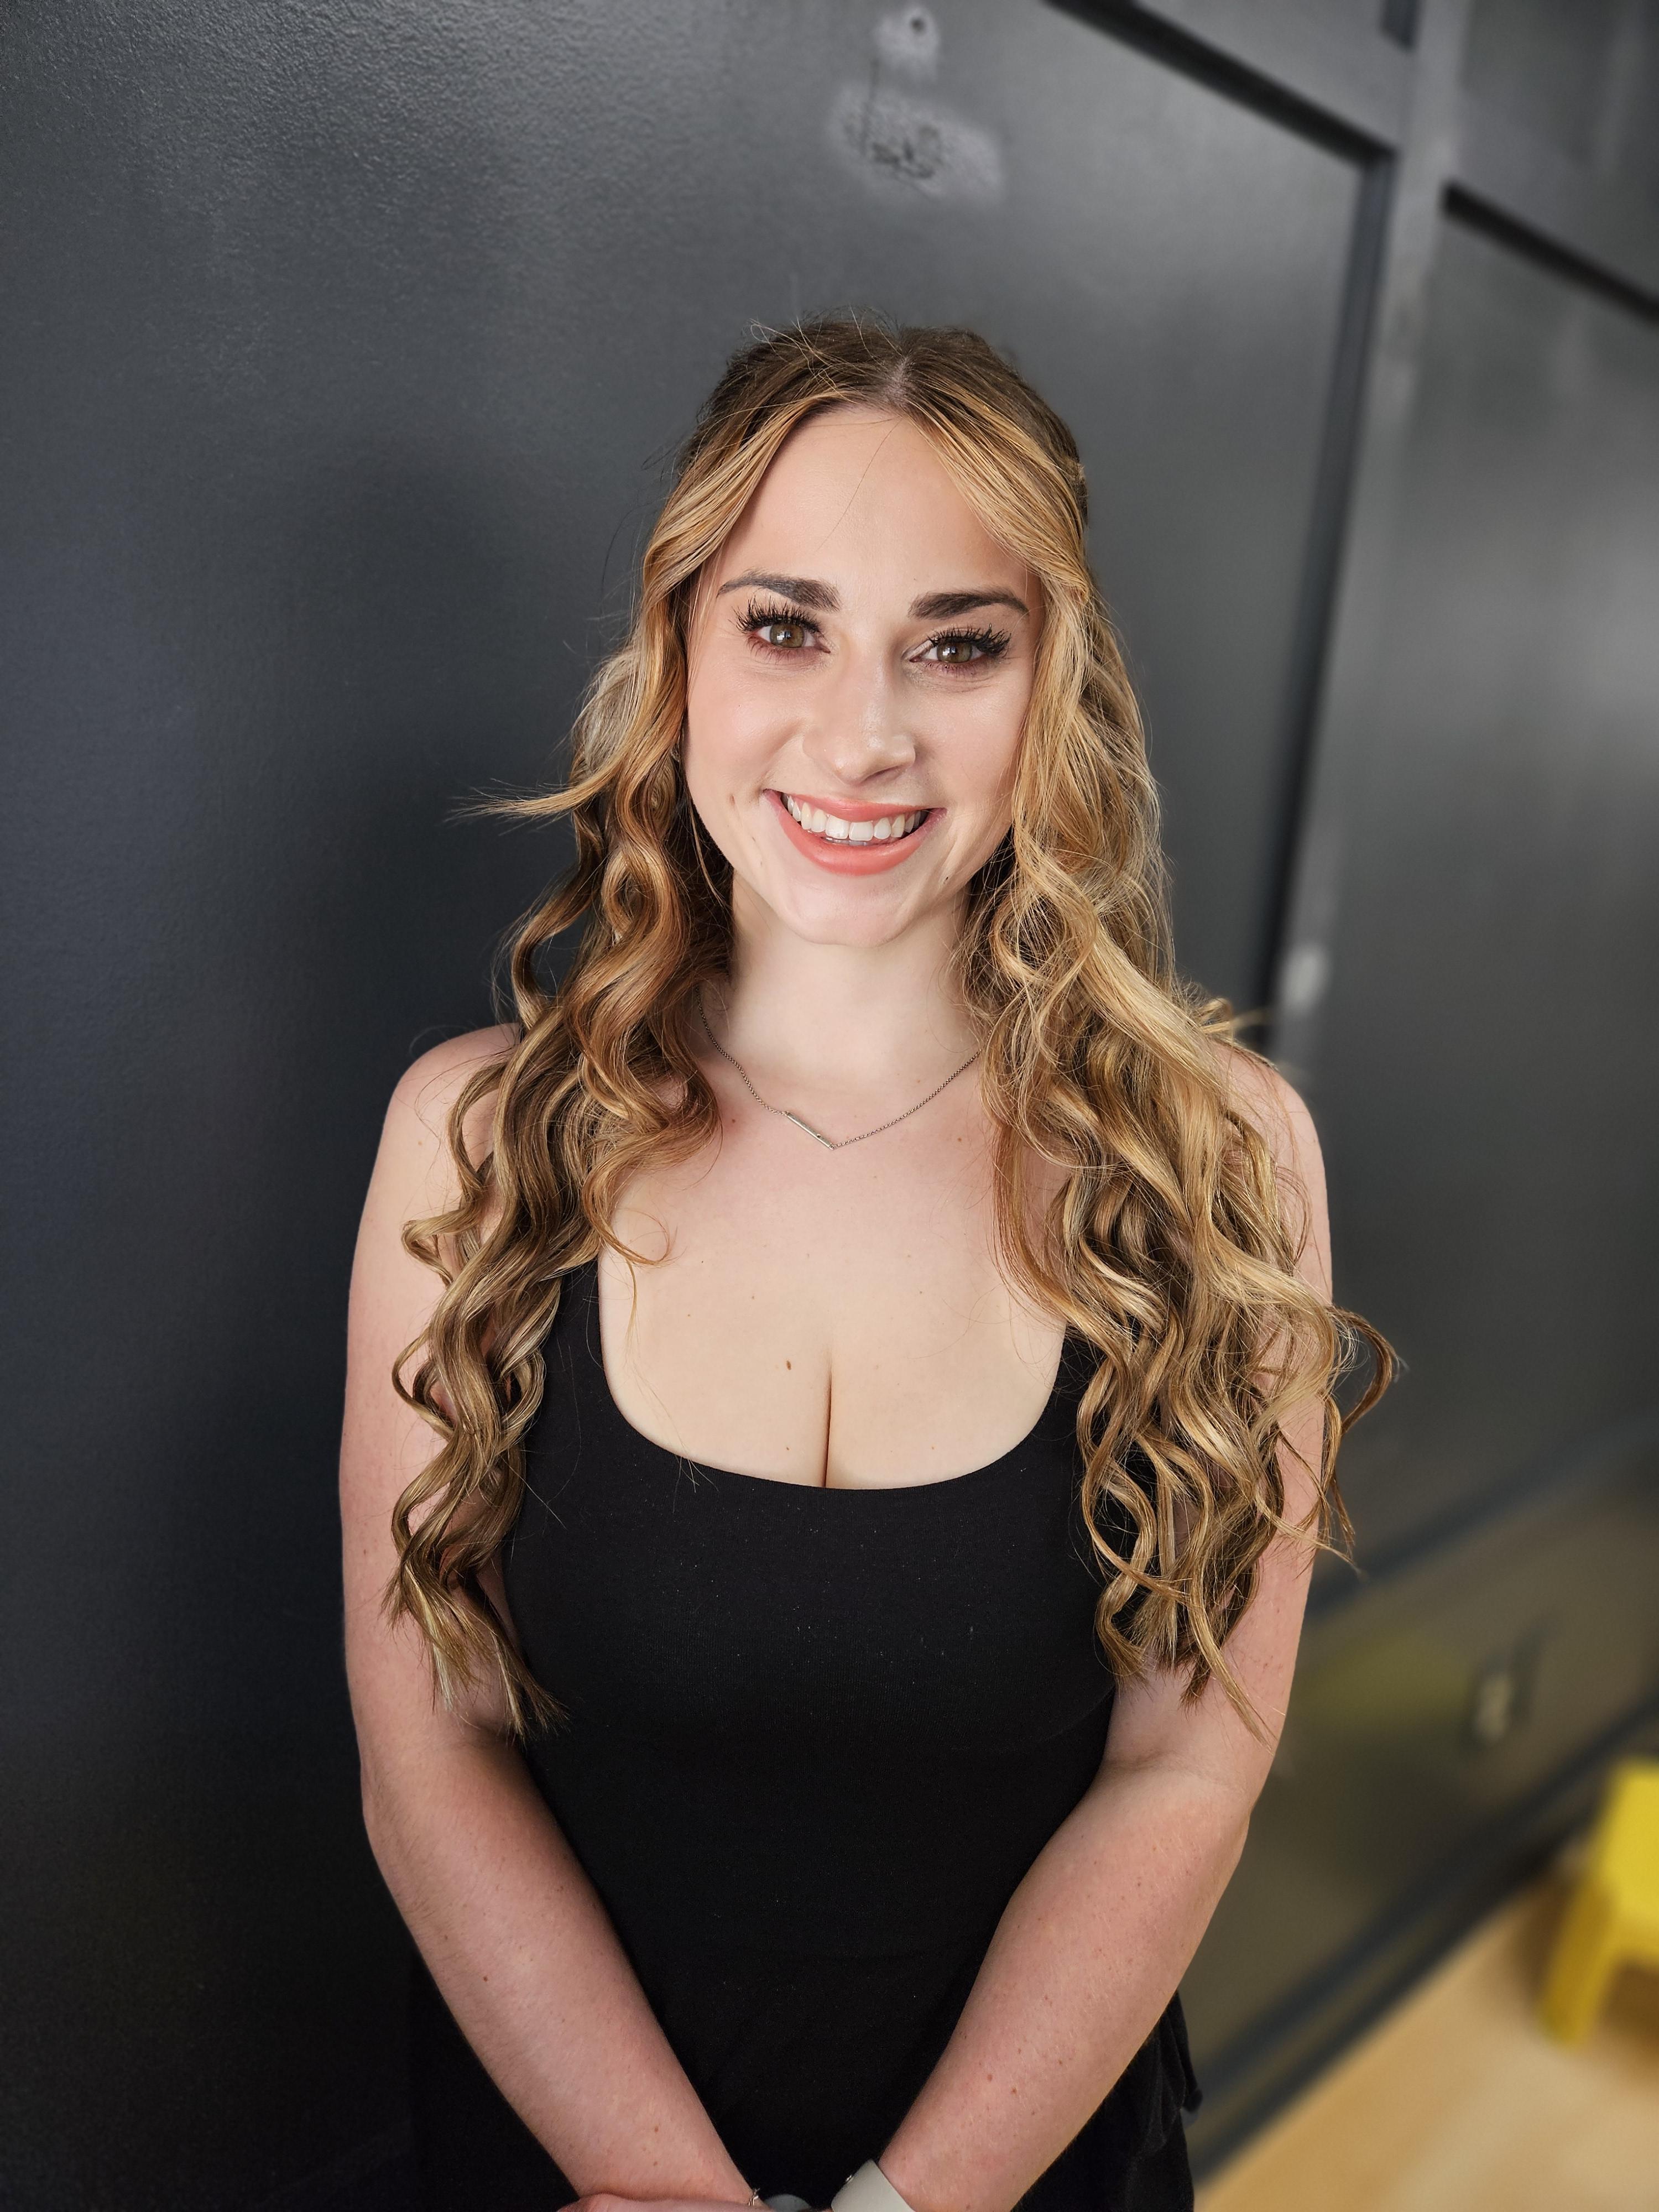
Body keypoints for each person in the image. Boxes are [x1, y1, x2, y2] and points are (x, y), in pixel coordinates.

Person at [339, 316, 1389, 2212]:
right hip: (568, 2151)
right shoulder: (476, 1144)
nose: (863, 734)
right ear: (678, 648)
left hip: (1028, 2161)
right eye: (785, 625)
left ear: (1055, 684)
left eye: (957, 645)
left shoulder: (1224, 1164)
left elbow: (1184, 1772)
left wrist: (911, 2206)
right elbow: (437, 1752)